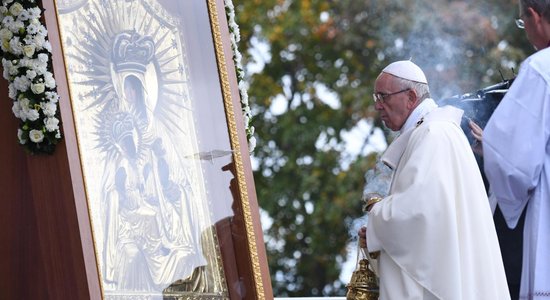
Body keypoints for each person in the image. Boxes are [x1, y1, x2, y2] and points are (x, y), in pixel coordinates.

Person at [358, 60, 510, 299]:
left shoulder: (433, 133)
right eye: (375, 97)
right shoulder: (432, 130)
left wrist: (377, 216)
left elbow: (419, 212)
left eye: (383, 96)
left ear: (410, 97)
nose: (377, 106)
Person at [481, 1, 550, 298]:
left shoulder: (540, 69)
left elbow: (512, 164)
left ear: (534, 16)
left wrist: (489, 148)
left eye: (522, 22)